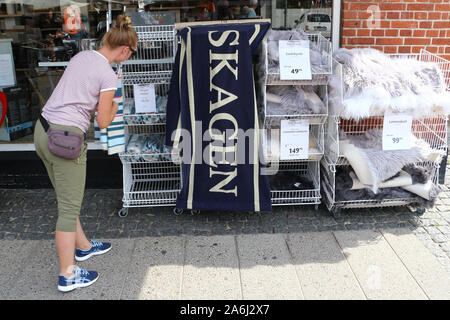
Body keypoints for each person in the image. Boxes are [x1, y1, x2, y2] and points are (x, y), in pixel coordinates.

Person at [34, 15, 138, 293]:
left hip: (42, 130)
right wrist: (117, 105)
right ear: (125, 50)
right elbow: (103, 121)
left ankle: (84, 247)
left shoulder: (82, 57)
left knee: (65, 197)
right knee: (68, 209)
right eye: (132, 53)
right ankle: (67, 275)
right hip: (65, 139)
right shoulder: (108, 74)